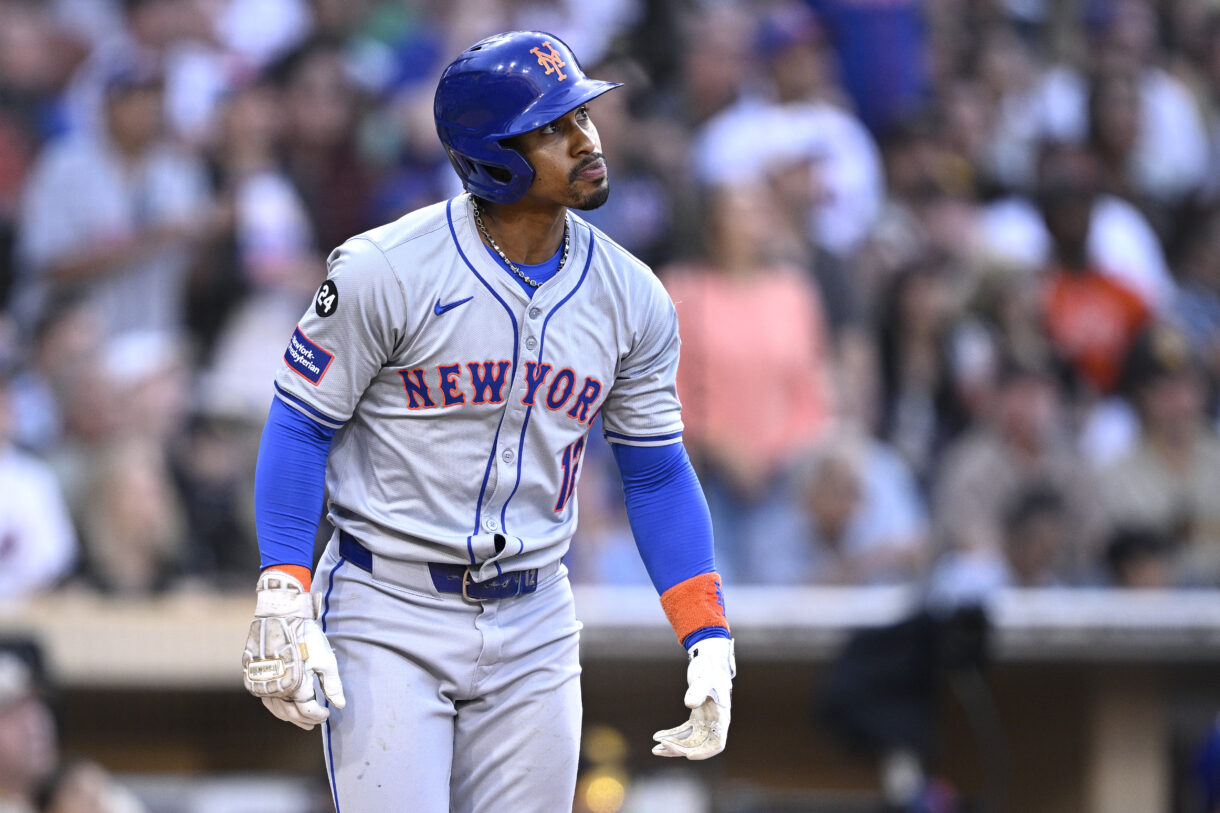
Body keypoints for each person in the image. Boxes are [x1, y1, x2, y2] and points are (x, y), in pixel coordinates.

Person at [239, 31, 736, 813]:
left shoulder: (634, 295)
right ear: (492, 155)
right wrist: (282, 590)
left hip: (535, 612)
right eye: (553, 128)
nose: (586, 140)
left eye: (583, 116)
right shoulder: (385, 268)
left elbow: (656, 469)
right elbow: (300, 424)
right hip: (389, 604)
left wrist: (706, 631)